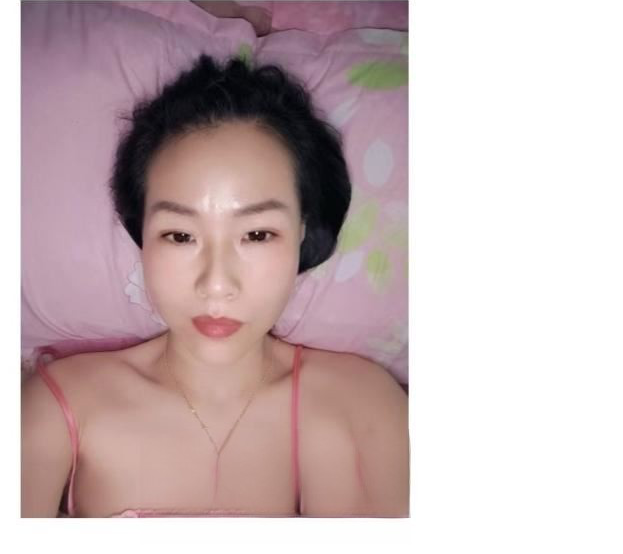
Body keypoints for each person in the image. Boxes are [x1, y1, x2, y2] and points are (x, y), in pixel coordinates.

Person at [21, 54, 409, 517]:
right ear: (141, 235)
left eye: (257, 234)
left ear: (303, 232)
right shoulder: (60, 407)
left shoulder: (364, 405)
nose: (216, 284)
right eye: (180, 236)